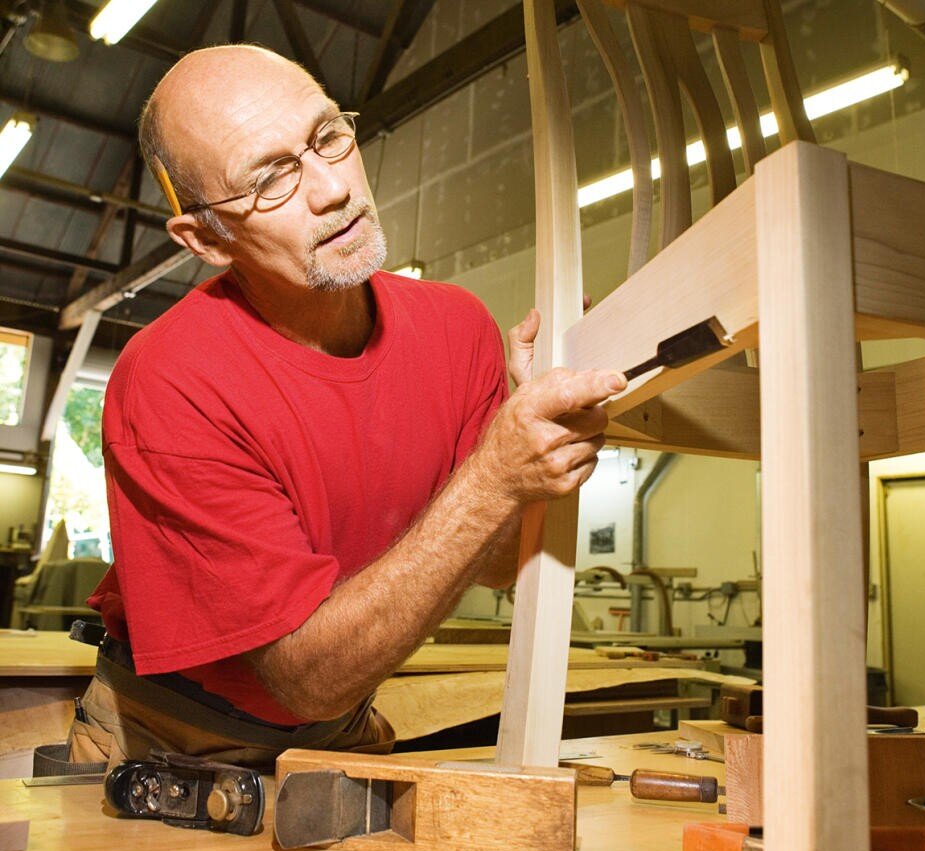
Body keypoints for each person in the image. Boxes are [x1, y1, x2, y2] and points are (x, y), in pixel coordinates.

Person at [69, 44, 626, 768]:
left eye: (328, 137)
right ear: (206, 238)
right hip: (174, 747)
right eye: (269, 179)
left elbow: (492, 564)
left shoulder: (457, 327)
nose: (333, 190)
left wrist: (534, 445)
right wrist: (494, 475)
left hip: (340, 730)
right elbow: (304, 677)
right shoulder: (171, 379)